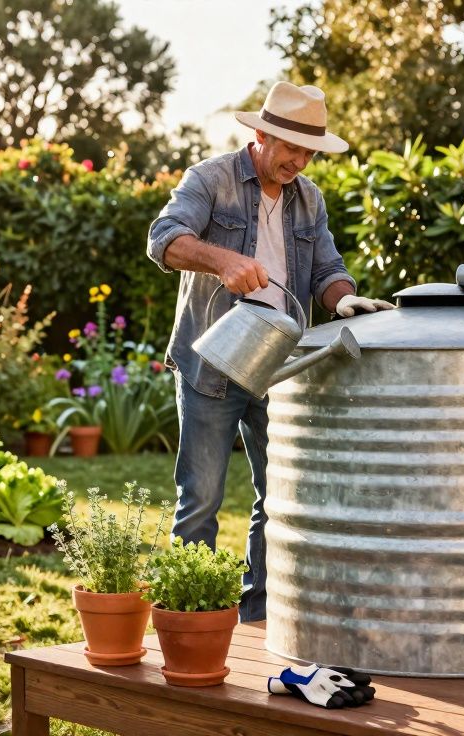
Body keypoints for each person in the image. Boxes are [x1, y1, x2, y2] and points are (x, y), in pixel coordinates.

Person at [145, 81, 394, 622]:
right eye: (291, 149)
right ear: (261, 135)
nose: (299, 162)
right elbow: (163, 238)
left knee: (277, 499)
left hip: (280, 363)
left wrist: (346, 301)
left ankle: (257, 618)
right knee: (201, 500)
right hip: (212, 360)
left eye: (309, 152)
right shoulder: (210, 180)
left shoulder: (310, 199)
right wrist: (222, 261)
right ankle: (192, 618)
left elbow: (328, 271)